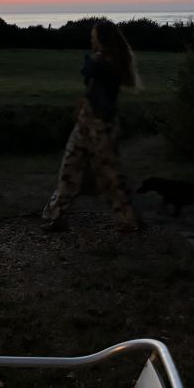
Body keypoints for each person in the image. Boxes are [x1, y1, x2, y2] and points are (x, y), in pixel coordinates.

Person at [41, 19, 142, 233]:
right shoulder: (106, 61)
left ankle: (129, 219)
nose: (91, 39)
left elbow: (88, 71)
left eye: (94, 36)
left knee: (110, 174)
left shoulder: (106, 63)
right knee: (70, 167)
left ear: (101, 39)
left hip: (101, 126)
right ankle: (57, 216)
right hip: (87, 122)